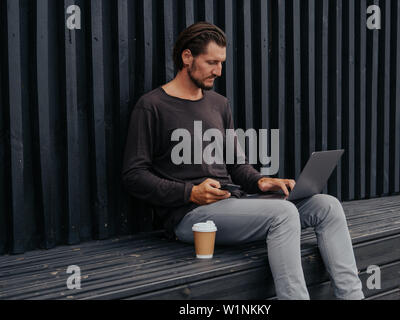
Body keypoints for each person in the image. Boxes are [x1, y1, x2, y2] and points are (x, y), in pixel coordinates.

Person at [122, 21, 364, 300]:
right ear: (187, 57)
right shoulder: (152, 106)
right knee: (283, 215)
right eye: (212, 62)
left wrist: (261, 181)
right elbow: (134, 175)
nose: (219, 71)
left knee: (327, 205)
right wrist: (191, 192)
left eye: (221, 62)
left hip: (234, 203)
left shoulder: (219, 104)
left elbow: (237, 166)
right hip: (190, 217)